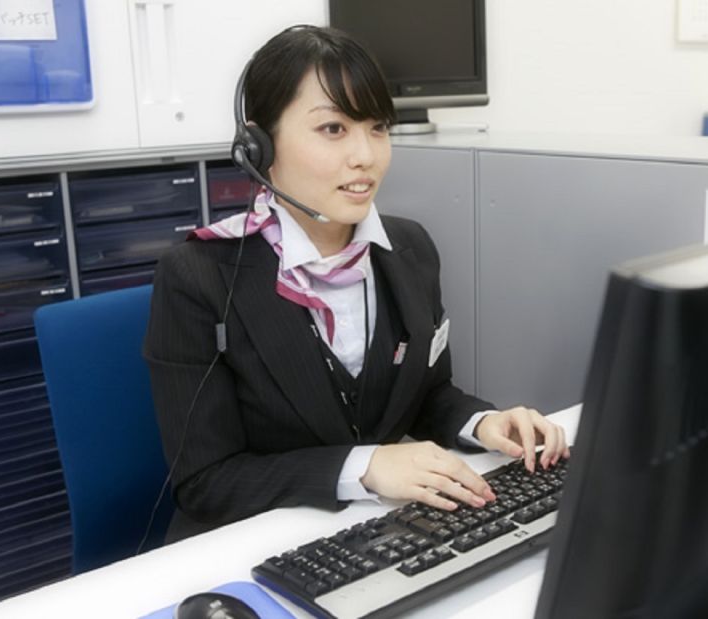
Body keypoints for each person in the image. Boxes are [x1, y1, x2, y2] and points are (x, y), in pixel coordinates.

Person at [144, 25, 569, 542]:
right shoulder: (198, 277)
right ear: (258, 146)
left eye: (377, 128)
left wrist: (483, 424)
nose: (366, 156)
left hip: (374, 532)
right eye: (333, 129)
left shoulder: (409, 250)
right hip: (249, 544)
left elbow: (427, 397)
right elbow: (206, 483)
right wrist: (366, 467)